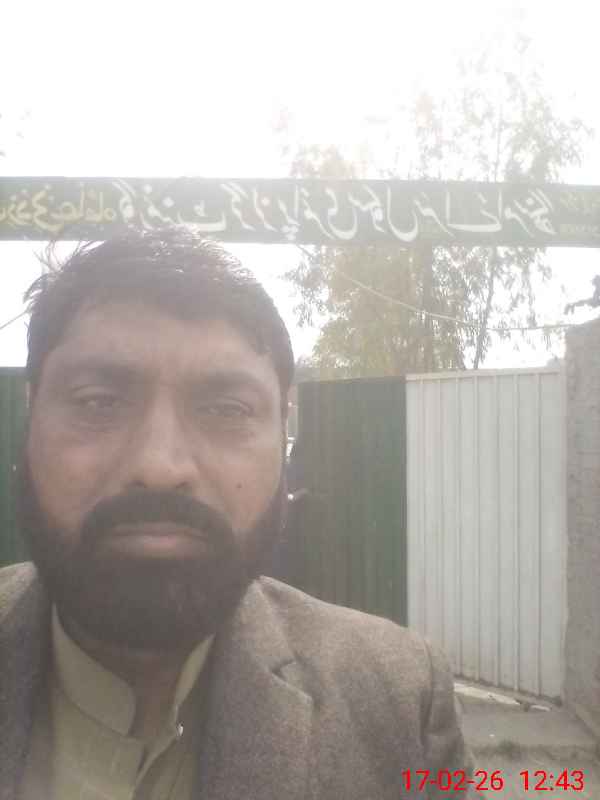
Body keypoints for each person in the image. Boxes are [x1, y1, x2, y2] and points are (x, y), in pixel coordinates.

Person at [1, 227, 474, 800]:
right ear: (31, 419)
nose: (160, 466)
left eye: (227, 409)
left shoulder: (399, 700)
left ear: (284, 437)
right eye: (97, 402)